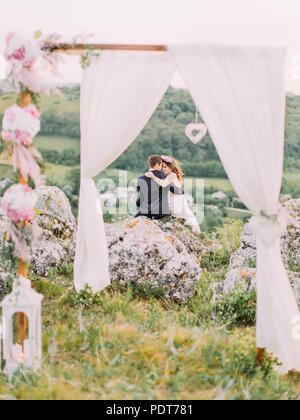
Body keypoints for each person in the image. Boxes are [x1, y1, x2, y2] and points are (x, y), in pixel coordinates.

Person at [144, 155, 201, 233]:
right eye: (163, 167)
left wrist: (153, 176)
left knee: (188, 217)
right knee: (188, 217)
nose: (163, 169)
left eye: (165, 167)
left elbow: (164, 184)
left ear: (170, 167)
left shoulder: (172, 175)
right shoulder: (170, 176)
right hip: (174, 200)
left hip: (176, 202)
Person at [135, 155, 184, 219]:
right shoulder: (164, 177)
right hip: (161, 213)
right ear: (157, 165)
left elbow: (138, 201)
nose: (162, 168)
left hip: (145, 212)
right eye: (161, 165)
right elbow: (177, 191)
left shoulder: (140, 179)